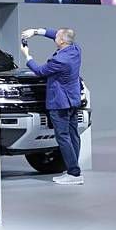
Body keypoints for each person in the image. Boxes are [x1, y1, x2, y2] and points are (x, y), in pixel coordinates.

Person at [20, 27, 83, 185]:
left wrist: (27, 56)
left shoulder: (60, 60)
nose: (54, 37)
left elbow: (40, 71)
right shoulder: (75, 49)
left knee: (63, 137)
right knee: (73, 135)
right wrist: (35, 31)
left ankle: (73, 173)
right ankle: (74, 170)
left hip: (60, 102)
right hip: (73, 100)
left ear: (61, 41)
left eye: (57, 37)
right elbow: (55, 33)